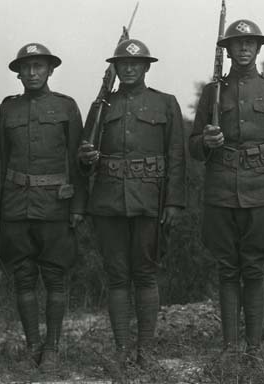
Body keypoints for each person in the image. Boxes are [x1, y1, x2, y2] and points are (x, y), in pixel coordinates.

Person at [189, 19, 264, 358]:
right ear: (227, 50)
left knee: (254, 268)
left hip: (261, 188)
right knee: (227, 267)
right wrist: (206, 141)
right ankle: (229, 346)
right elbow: (193, 147)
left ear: (258, 48)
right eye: (237, 43)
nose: (244, 48)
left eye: (249, 43)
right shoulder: (213, 91)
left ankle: (253, 348)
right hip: (221, 189)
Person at [77, 38, 186, 369]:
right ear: (115, 67)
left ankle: (146, 350)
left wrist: (174, 203)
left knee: (146, 274)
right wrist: (86, 157)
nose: (129, 68)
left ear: (146, 67)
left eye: (135, 64)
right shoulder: (101, 106)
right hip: (108, 201)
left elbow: (177, 156)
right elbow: (83, 158)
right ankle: (123, 348)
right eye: (123, 64)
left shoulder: (165, 103)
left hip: (149, 201)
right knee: (117, 276)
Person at [0, 43, 87, 373]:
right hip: (15, 205)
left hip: (55, 205)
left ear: (50, 70)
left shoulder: (66, 107)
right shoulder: (8, 109)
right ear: (18, 73)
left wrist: (78, 205)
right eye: (27, 67)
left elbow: (78, 161)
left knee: (55, 278)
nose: (32, 73)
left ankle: (52, 348)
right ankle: (32, 345)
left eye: (39, 66)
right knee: (22, 276)